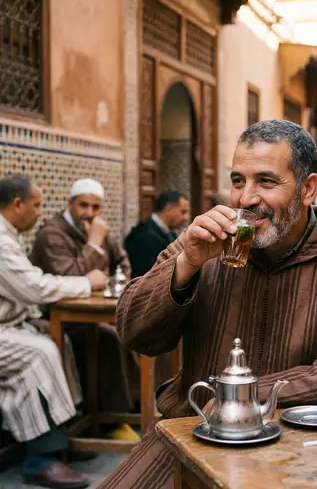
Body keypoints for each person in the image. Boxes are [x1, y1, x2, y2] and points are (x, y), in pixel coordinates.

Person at [99, 119, 317, 488]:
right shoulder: (205, 242)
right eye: (238, 181)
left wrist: (243, 396)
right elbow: (133, 332)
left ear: (307, 189)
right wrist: (185, 265)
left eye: (266, 182)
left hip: (298, 451)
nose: (246, 199)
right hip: (191, 435)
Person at [30, 179, 169, 427]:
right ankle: (114, 418)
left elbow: (123, 263)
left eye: (95, 207)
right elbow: (67, 279)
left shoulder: (98, 228)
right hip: (59, 317)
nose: (90, 213)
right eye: (83, 205)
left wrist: (114, 283)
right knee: (111, 337)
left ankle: (140, 409)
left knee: (140, 329)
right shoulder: (52, 234)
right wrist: (93, 243)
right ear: (70, 203)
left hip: (97, 310)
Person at [0, 175, 106, 488]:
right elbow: (34, 286)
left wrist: (33, 319)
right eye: (36, 205)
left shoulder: (10, 235)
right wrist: (88, 282)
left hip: (11, 325)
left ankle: (66, 435)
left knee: (57, 341)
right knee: (40, 353)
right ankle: (41, 460)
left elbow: (15, 289)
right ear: (17, 204)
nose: (40, 211)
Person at [125, 189, 190, 278]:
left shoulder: (170, 233)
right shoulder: (145, 235)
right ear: (169, 209)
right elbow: (149, 275)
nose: (186, 217)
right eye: (183, 212)